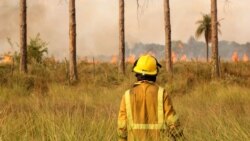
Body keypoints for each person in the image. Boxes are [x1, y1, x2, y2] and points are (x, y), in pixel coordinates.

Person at [117, 55, 184, 141]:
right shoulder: (162, 93)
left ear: (137, 74)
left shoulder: (127, 95)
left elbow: (122, 128)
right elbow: (174, 125)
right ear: (155, 74)